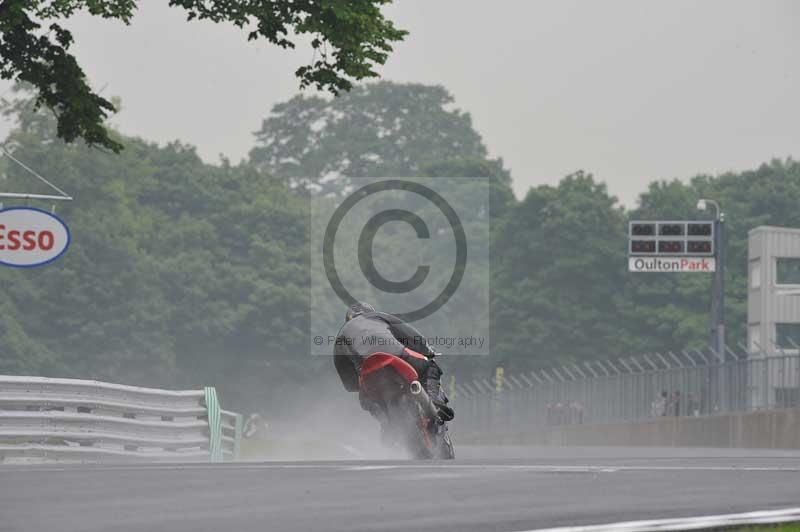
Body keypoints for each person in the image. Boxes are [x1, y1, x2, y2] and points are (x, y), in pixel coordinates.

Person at [332, 301, 454, 422]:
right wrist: (427, 350)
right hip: (395, 354)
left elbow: (348, 382)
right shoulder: (378, 316)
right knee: (429, 367)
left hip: (366, 372)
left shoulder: (341, 336)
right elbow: (412, 335)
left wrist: (357, 382)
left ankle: (388, 427)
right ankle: (436, 403)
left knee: (366, 401)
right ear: (370, 312)